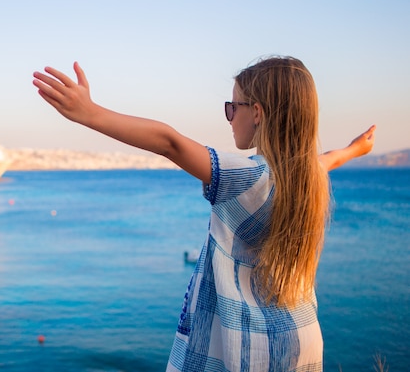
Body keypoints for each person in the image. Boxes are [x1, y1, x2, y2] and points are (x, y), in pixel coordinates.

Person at [32, 56, 376, 372]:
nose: (228, 117)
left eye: (232, 107)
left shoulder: (246, 175)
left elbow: (169, 142)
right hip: (302, 340)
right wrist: (356, 148)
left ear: (257, 112)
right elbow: (329, 158)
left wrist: (91, 113)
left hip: (244, 350)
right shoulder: (308, 176)